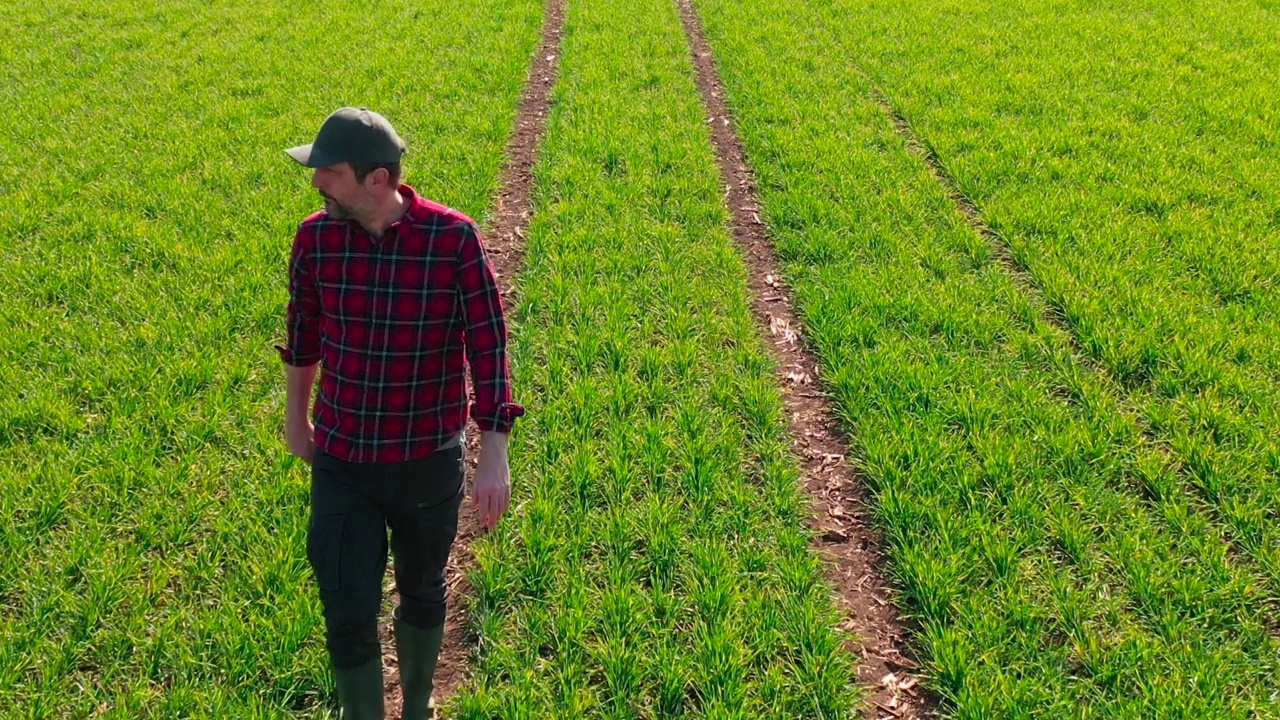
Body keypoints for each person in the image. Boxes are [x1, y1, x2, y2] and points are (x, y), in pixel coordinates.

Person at [276, 106, 524, 719]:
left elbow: (488, 345)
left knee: (421, 589)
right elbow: (303, 334)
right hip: (343, 457)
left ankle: (416, 706)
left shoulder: (453, 240)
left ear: (377, 179)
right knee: (346, 604)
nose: (316, 184)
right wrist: (295, 417)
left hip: (425, 460)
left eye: (328, 172)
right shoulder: (315, 237)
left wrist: (494, 452)